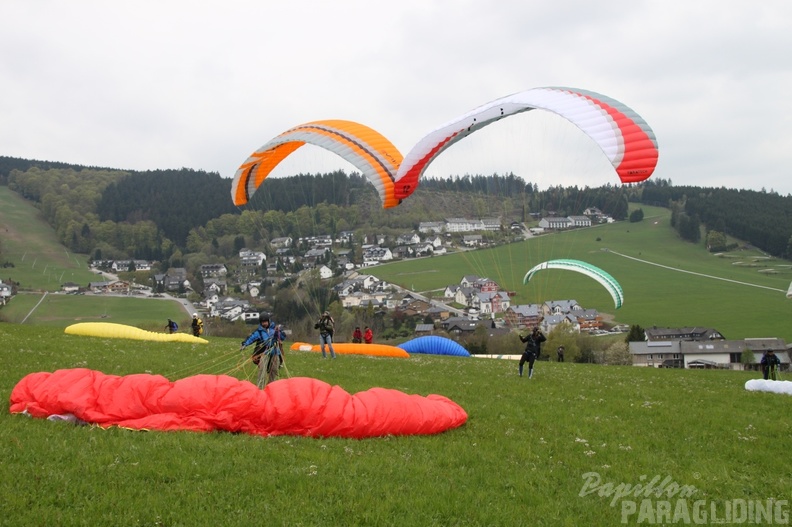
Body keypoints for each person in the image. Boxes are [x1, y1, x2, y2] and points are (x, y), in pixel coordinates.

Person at [240, 313, 286, 388]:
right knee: (262, 371)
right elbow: (251, 338)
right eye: (262, 322)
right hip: (264, 353)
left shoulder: (274, 329)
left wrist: (280, 331)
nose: (264, 323)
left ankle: (271, 387)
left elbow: (282, 337)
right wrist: (244, 344)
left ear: (268, 321)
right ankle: (259, 388)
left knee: (274, 370)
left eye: (265, 321)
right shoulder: (259, 331)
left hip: (275, 353)